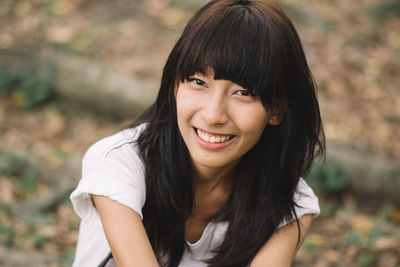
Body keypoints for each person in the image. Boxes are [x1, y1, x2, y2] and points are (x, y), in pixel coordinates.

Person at [70, 0, 325, 266]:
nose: (213, 115)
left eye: (243, 93)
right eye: (198, 82)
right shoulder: (118, 163)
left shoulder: (289, 205)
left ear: (277, 109)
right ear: (174, 86)